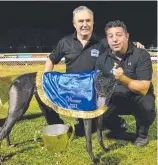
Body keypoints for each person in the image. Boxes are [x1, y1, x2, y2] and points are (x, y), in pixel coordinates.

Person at [44, 6, 145, 135]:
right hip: (72, 90)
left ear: (92, 22)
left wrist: (134, 45)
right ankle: (58, 128)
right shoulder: (65, 42)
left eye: (88, 20)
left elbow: (119, 46)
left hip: (94, 92)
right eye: (81, 21)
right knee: (44, 95)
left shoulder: (102, 43)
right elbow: (51, 60)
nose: (85, 24)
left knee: (100, 122)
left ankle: (114, 121)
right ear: (74, 24)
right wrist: (46, 79)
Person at [95, 20, 156, 146]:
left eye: (119, 35)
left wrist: (122, 78)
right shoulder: (102, 59)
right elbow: (99, 84)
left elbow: (144, 89)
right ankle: (119, 127)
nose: (115, 39)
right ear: (107, 39)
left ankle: (142, 134)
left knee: (147, 106)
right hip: (117, 97)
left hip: (138, 97)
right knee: (99, 107)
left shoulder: (141, 55)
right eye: (110, 36)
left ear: (127, 36)